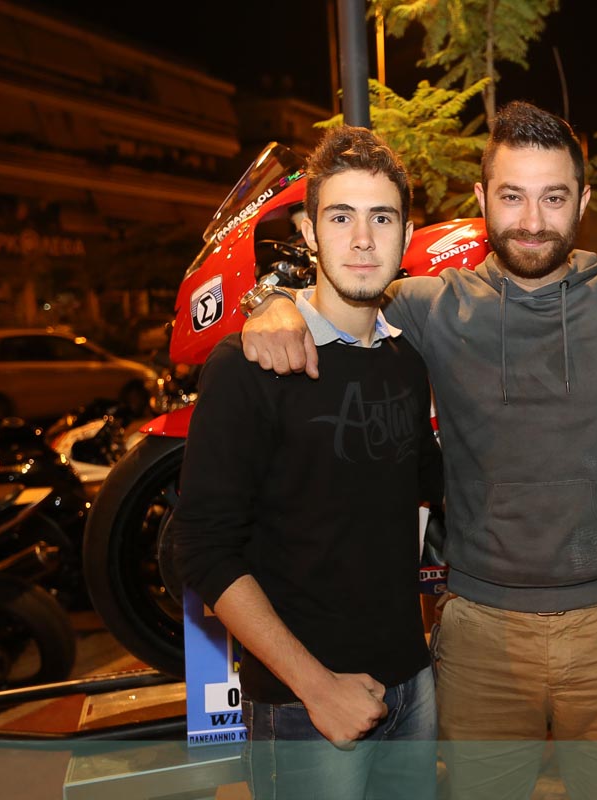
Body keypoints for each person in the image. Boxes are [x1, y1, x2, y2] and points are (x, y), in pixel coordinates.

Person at [241, 101, 597, 800]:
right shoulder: (428, 305)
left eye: (554, 197)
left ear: (583, 201)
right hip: (480, 636)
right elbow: (337, 294)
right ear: (482, 198)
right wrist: (269, 304)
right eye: (512, 196)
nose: (533, 220)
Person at [172, 126, 443, 799]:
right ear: (308, 232)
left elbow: (429, 490)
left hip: (413, 688)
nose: (363, 239)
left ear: (407, 235)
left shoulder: (406, 364)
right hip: (303, 708)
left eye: (383, 218)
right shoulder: (249, 366)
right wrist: (316, 687)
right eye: (341, 217)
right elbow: (202, 549)